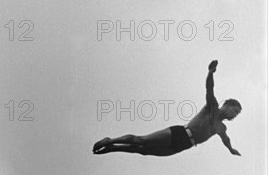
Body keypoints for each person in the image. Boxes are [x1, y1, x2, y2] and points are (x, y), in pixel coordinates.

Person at [93, 60, 242, 157]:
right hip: (180, 133)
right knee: (141, 140)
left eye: (236, 114)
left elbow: (226, 140)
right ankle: (110, 140)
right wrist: (210, 73)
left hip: (183, 146)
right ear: (227, 105)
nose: (234, 115)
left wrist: (231, 150)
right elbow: (210, 88)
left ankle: (112, 148)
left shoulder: (222, 128)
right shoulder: (213, 108)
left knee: (142, 151)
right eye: (234, 111)